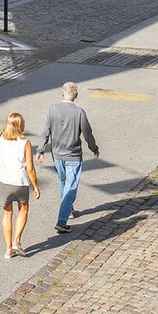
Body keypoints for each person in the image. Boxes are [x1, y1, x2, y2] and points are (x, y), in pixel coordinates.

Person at [37, 82, 99, 233]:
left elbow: (45, 131)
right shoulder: (79, 113)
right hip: (73, 155)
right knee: (71, 186)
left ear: (62, 93)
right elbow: (87, 133)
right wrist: (94, 148)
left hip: (57, 155)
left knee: (64, 182)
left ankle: (68, 209)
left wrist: (40, 150)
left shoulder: (53, 109)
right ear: (76, 96)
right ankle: (62, 220)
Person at [0, 112, 40, 259]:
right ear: (21, 125)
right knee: (23, 208)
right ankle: (16, 241)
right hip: (19, 181)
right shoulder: (25, 143)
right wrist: (35, 186)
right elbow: (30, 168)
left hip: (2, 180)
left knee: (7, 213)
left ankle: (8, 249)